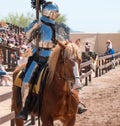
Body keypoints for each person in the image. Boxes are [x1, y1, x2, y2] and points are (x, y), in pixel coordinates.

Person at [16, 1, 68, 120]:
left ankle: (73, 101)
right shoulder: (38, 23)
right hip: (38, 57)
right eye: (54, 13)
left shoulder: (56, 26)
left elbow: (60, 42)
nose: (56, 15)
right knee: (27, 80)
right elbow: (26, 39)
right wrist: (34, 27)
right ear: (48, 12)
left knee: (67, 74)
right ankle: (24, 108)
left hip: (51, 57)